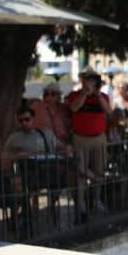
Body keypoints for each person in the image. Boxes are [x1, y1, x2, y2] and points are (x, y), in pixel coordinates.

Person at [66, 66, 111, 216]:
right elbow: (73, 108)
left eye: (92, 79)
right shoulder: (74, 95)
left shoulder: (102, 96)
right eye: (87, 78)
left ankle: (97, 200)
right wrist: (84, 94)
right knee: (81, 171)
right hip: (80, 138)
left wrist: (97, 95)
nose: (90, 82)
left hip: (99, 138)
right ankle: (81, 204)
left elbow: (108, 111)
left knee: (99, 169)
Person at [30, 83, 71, 149]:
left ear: (58, 95)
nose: (49, 96)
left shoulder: (64, 108)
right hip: (41, 141)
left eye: (53, 94)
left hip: (61, 141)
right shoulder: (37, 106)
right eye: (46, 94)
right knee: (42, 158)